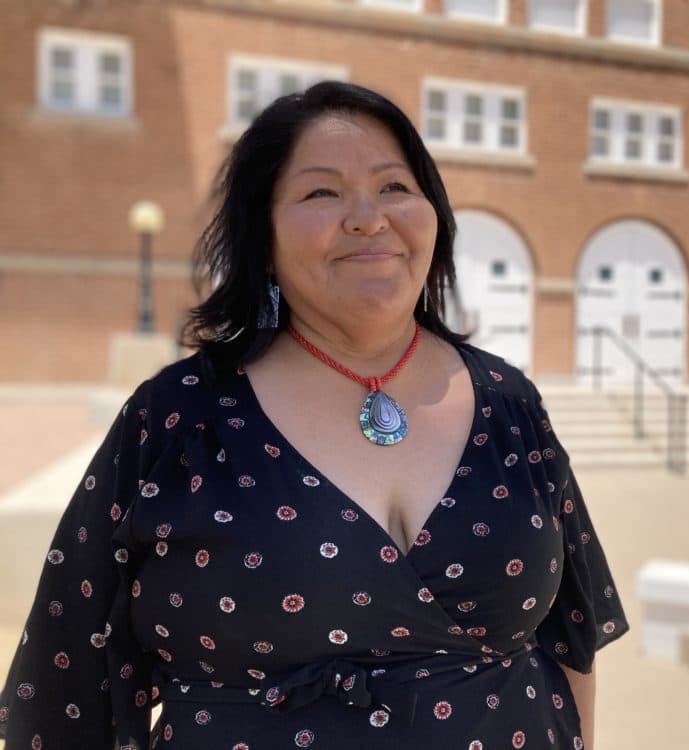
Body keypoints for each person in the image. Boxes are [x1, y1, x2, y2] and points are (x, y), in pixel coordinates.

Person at [0, 81, 628, 749]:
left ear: (433, 216)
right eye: (320, 193)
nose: (368, 217)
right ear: (263, 240)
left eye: (395, 188)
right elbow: (71, 683)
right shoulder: (180, 420)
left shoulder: (511, 403)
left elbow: (570, 640)